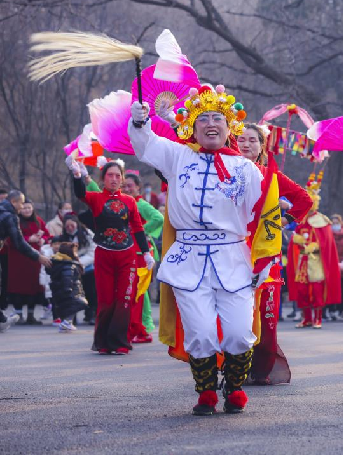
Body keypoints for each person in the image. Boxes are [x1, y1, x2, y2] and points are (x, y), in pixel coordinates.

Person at [129, 84, 269, 415]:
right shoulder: (178, 156)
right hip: (188, 259)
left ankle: (233, 388)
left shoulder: (246, 169)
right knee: (201, 332)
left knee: (238, 331)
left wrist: (265, 257)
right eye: (203, 118)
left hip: (234, 260)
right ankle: (206, 391)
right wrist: (139, 122)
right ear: (193, 127)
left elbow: (264, 214)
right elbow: (146, 144)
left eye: (217, 118)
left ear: (229, 126)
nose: (210, 123)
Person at [237, 122, 312, 385]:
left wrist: (283, 218)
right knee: (235, 313)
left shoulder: (273, 177)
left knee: (266, 314)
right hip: (232, 253)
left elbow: (305, 200)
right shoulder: (221, 175)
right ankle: (234, 367)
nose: (246, 144)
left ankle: (261, 369)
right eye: (240, 139)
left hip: (267, 255)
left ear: (261, 146)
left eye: (252, 140)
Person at [67, 158, 153, 354]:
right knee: (106, 299)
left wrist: (146, 254)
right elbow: (80, 193)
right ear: (103, 178)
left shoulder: (129, 201)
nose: (114, 179)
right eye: (110, 175)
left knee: (125, 297)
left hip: (127, 256)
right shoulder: (96, 198)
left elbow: (138, 228)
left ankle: (121, 342)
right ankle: (103, 342)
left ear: (122, 179)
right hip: (104, 254)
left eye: (117, 175)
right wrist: (77, 175)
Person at [286, 173, 341, 329]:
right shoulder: (300, 220)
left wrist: (315, 245)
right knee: (302, 290)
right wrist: (296, 240)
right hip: (303, 261)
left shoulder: (322, 220)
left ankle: (318, 318)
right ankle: (306, 318)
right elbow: (295, 237)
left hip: (317, 261)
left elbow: (326, 242)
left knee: (317, 290)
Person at [0, 191, 51, 332]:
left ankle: (2, 320)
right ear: (14, 202)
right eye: (21, 203)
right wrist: (38, 257)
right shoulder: (10, 216)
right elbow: (19, 243)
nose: (22, 207)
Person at [122, 172, 164, 343]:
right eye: (124, 186)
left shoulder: (140, 203)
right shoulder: (123, 203)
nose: (126, 188)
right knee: (132, 290)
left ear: (138, 187)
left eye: (129, 186)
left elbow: (158, 218)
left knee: (140, 290)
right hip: (129, 249)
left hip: (141, 252)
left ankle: (144, 327)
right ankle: (135, 325)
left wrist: (141, 232)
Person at [56, 214, 97, 324]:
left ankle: (91, 313)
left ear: (77, 224)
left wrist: (79, 263)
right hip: (70, 266)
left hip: (87, 265)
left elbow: (92, 252)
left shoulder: (87, 234)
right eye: (67, 226)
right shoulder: (63, 237)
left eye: (72, 225)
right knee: (71, 292)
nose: (69, 228)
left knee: (90, 290)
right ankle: (71, 316)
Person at [47, 242, 88, 333]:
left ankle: (67, 323)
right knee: (78, 304)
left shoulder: (58, 262)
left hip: (61, 290)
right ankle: (66, 322)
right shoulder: (68, 265)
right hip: (70, 290)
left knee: (67, 307)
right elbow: (67, 277)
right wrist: (68, 289)